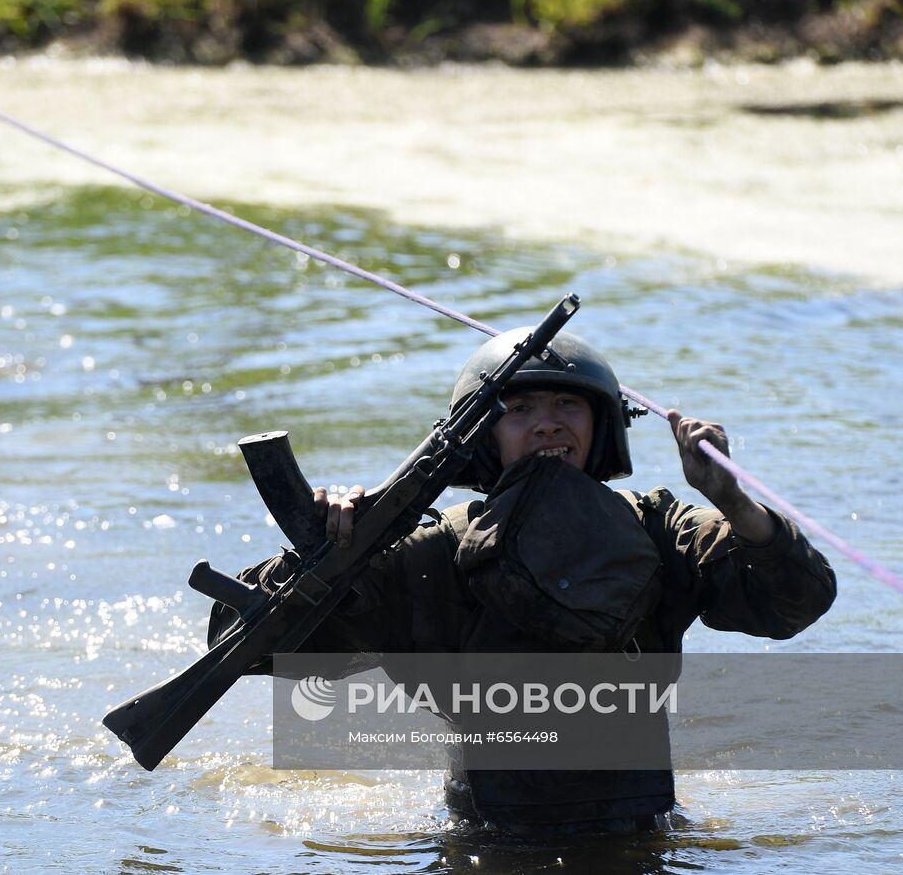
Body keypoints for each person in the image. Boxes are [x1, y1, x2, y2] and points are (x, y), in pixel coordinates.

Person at [210, 328, 837, 835]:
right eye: (519, 409)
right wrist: (326, 552)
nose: (547, 424)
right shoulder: (432, 550)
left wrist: (735, 502)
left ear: (602, 428)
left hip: (640, 829)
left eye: (567, 404)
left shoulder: (656, 530)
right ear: (481, 436)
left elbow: (793, 605)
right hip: (483, 836)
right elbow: (246, 649)